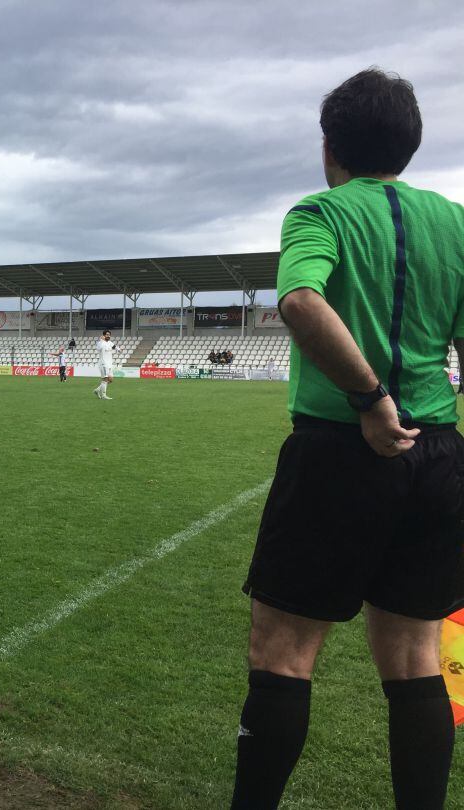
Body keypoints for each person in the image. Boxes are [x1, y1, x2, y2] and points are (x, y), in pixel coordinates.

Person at [231, 69, 464, 810]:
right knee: (414, 660)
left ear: (329, 146)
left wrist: (368, 398)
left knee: (284, 654)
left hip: (340, 451)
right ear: (411, 143)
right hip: (437, 457)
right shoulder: (455, 224)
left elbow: (301, 301)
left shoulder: (319, 214)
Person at [93, 330, 115, 399]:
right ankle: (103, 395)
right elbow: (99, 348)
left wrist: (119, 349)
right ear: (104, 335)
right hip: (103, 363)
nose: (108, 336)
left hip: (109, 364)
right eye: (107, 335)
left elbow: (114, 346)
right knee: (105, 379)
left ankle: (97, 390)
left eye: (109, 335)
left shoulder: (110, 343)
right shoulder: (100, 343)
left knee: (110, 380)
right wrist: (102, 341)